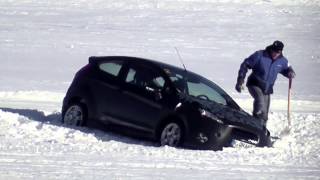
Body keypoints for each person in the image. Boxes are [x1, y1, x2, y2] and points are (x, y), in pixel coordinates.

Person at [235, 40, 296, 125]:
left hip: (267, 89)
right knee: (260, 103)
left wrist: (290, 73)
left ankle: (262, 133)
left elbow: (288, 69)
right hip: (254, 84)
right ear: (271, 49)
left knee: (264, 115)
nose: (275, 54)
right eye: (273, 51)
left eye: (277, 52)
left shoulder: (282, 61)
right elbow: (245, 64)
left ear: (281, 52)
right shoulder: (260, 55)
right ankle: (254, 124)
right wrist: (240, 80)